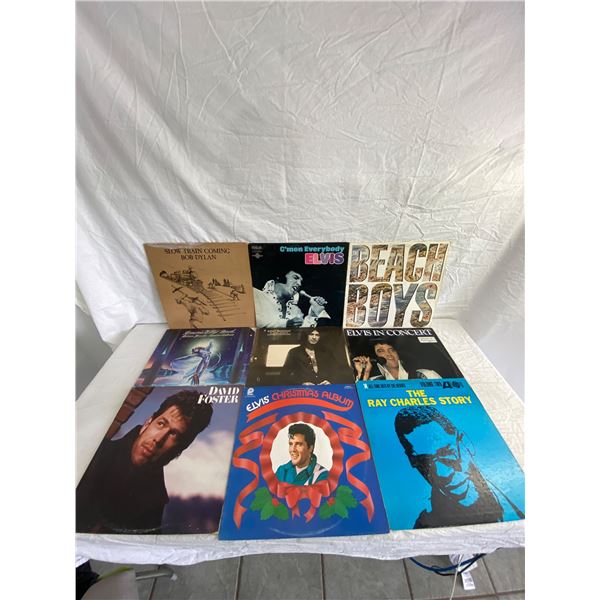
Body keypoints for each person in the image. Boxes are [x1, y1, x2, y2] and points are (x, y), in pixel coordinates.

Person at [76, 390, 213, 534]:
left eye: (173, 434)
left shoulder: (155, 503)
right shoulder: (92, 452)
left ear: (181, 447)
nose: (158, 439)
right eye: (161, 424)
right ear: (148, 423)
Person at [394, 405, 524, 528]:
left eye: (447, 453)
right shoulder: (423, 528)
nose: (442, 474)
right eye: (423, 461)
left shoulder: (520, 493)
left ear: (463, 441)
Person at [253, 270, 329, 328]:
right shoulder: (254, 294)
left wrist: (313, 313)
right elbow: (255, 321)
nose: (299, 284)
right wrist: (286, 323)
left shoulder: (296, 311)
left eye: (301, 281)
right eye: (295, 277)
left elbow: (304, 335)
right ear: (280, 277)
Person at [352, 340, 441, 381]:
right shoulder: (374, 381)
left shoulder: (427, 375)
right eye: (381, 351)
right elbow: (361, 401)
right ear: (376, 358)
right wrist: (364, 373)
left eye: (392, 350)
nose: (388, 354)